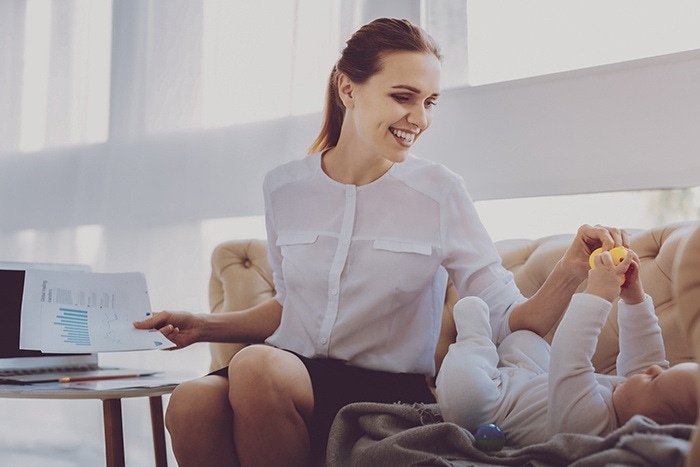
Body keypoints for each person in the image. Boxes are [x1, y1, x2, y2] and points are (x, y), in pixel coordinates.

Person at [134, 17, 630, 466]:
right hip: (285, 373)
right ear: (348, 89)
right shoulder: (283, 187)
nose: (420, 118)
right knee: (193, 402)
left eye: (429, 102)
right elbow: (292, 309)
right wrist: (203, 325)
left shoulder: (440, 193)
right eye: (403, 96)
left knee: (256, 365)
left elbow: (506, 318)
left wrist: (570, 270)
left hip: (383, 388)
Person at [436, 248, 698, 446]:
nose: (653, 369)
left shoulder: (590, 427)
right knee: (525, 340)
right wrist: (634, 297)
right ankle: (497, 358)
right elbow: (645, 358)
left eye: (655, 381)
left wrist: (598, 294)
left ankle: (475, 340)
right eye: (662, 370)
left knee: (464, 395)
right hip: (533, 381)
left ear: (644, 427)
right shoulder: (629, 397)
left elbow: (570, 357)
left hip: (491, 408)